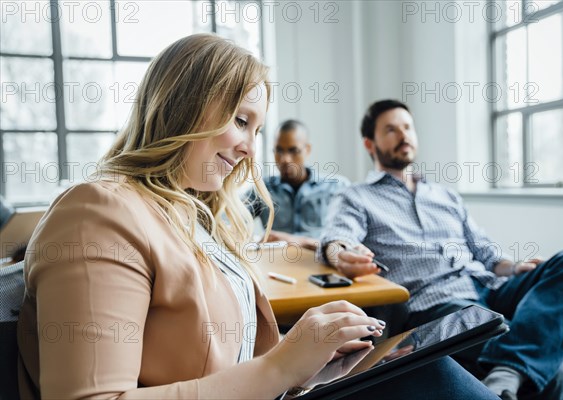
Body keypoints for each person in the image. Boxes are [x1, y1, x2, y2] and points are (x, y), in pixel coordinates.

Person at [16, 37, 498, 399]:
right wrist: (280, 368)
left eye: (257, 128)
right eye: (240, 121)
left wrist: (309, 361)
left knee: (424, 370)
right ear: (184, 104)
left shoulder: (193, 216)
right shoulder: (97, 212)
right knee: (435, 380)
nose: (251, 148)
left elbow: (228, 361)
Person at [320, 99, 563, 400]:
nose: (403, 135)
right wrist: (341, 253)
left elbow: (488, 254)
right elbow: (337, 238)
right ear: (369, 143)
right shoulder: (357, 196)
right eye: (390, 129)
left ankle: (531, 341)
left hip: (491, 287)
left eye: (407, 127)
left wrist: (512, 267)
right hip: (438, 305)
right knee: (556, 368)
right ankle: (540, 341)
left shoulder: (446, 196)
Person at [250, 120, 350, 250]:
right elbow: (231, 218)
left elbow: (347, 241)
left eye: (293, 150)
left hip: (319, 262)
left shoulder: (337, 187)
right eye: (279, 150)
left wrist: (298, 241)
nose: (285, 159)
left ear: (307, 150)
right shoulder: (262, 188)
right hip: (274, 264)